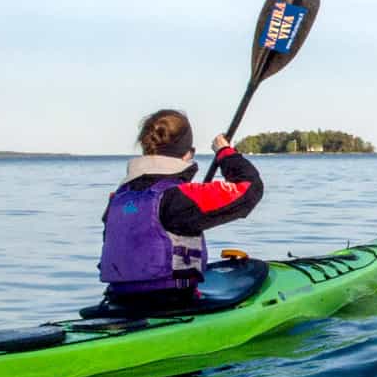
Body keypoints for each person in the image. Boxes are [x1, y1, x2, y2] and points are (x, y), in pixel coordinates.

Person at [98, 108, 264, 311]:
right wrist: (225, 153)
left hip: (117, 302)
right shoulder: (178, 197)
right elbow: (249, 189)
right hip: (172, 302)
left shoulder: (119, 198)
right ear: (188, 154)